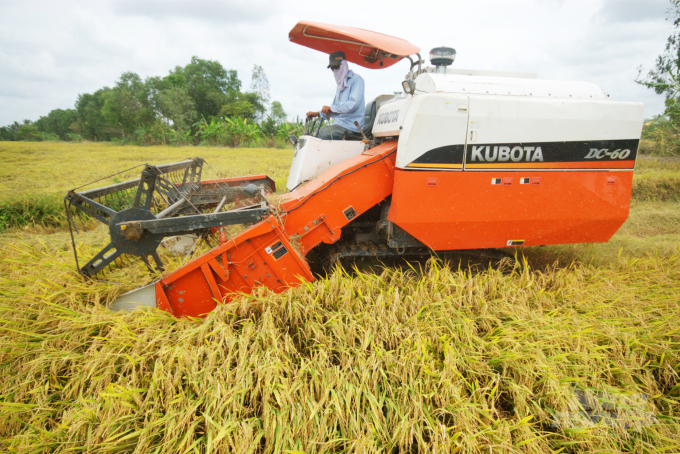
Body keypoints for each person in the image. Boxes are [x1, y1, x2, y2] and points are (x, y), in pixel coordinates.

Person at [306, 51, 365, 140]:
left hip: (352, 126)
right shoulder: (340, 86)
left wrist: (331, 108)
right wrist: (318, 113)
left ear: (344, 64)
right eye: (332, 68)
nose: (335, 70)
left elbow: (353, 104)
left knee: (320, 134)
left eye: (336, 67)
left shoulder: (357, 80)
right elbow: (334, 108)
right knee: (314, 135)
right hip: (339, 124)